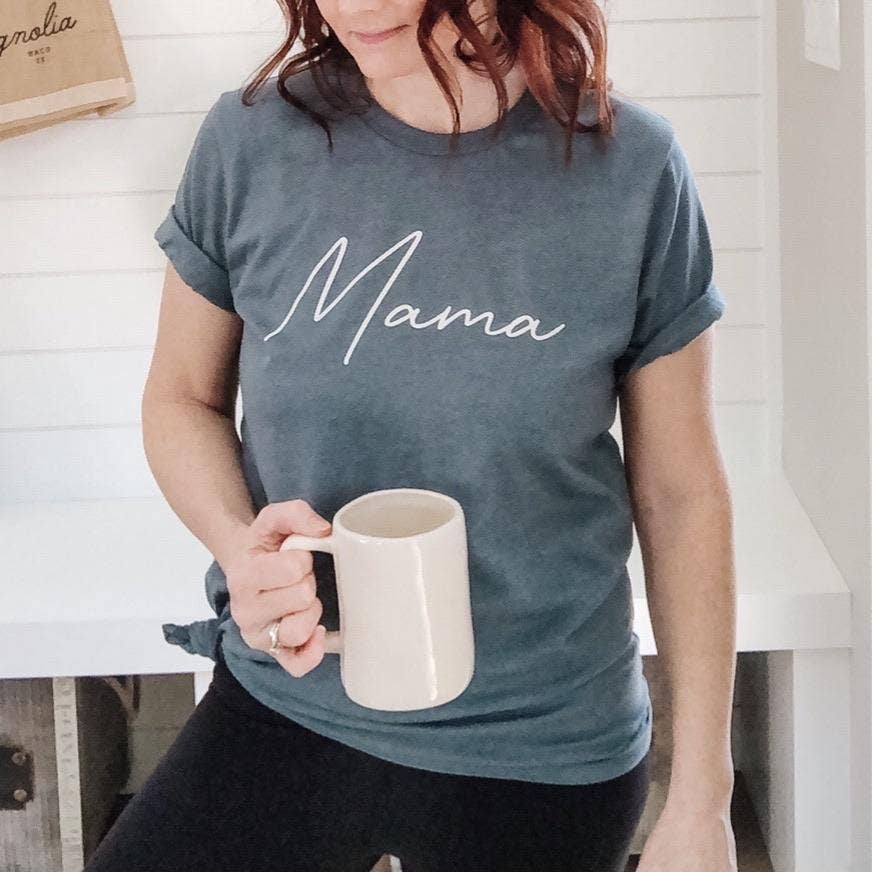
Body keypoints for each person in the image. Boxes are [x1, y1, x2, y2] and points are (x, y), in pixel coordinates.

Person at [85, 0, 739, 868]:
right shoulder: (250, 142)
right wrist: (240, 548)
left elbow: (679, 493)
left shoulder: (634, 170)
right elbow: (180, 398)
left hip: (543, 747)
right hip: (288, 700)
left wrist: (701, 801)